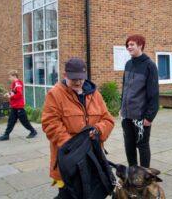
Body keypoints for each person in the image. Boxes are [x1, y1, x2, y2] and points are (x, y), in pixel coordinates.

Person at [42, 57, 115, 198]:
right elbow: (50, 123)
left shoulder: (95, 94)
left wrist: (98, 130)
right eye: (74, 78)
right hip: (69, 159)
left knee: (93, 192)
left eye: (81, 78)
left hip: (93, 157)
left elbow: (108, 119)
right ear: (65, 76)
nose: (78, 82)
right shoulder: (55, 94)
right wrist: (74, 147)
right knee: (69, 194)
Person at [121, 34, 159, 168]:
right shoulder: (128, 64)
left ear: (140, 45)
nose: (129, 47)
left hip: (141, 116)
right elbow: (124, 88)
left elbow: (154, 94)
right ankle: (132, 171)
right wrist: (122, 107)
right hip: (126, 115)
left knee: (142, 145)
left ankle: (144, 175)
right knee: (129, 144)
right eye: (128, 45)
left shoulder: (149, 66)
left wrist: (149, 117)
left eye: (132, 44)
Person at [0, 70, 37, 141]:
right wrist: (8, 94)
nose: (9, 78)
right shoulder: (15, 84)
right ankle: (6, 135)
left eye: (10, 77)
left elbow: (19, 94)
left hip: (19, 107)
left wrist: (10, 97)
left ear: (14, 76)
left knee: (24, 121)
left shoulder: (17, 84)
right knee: (11, 121)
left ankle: (33, 131)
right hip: (15, 106)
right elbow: (13, 92)